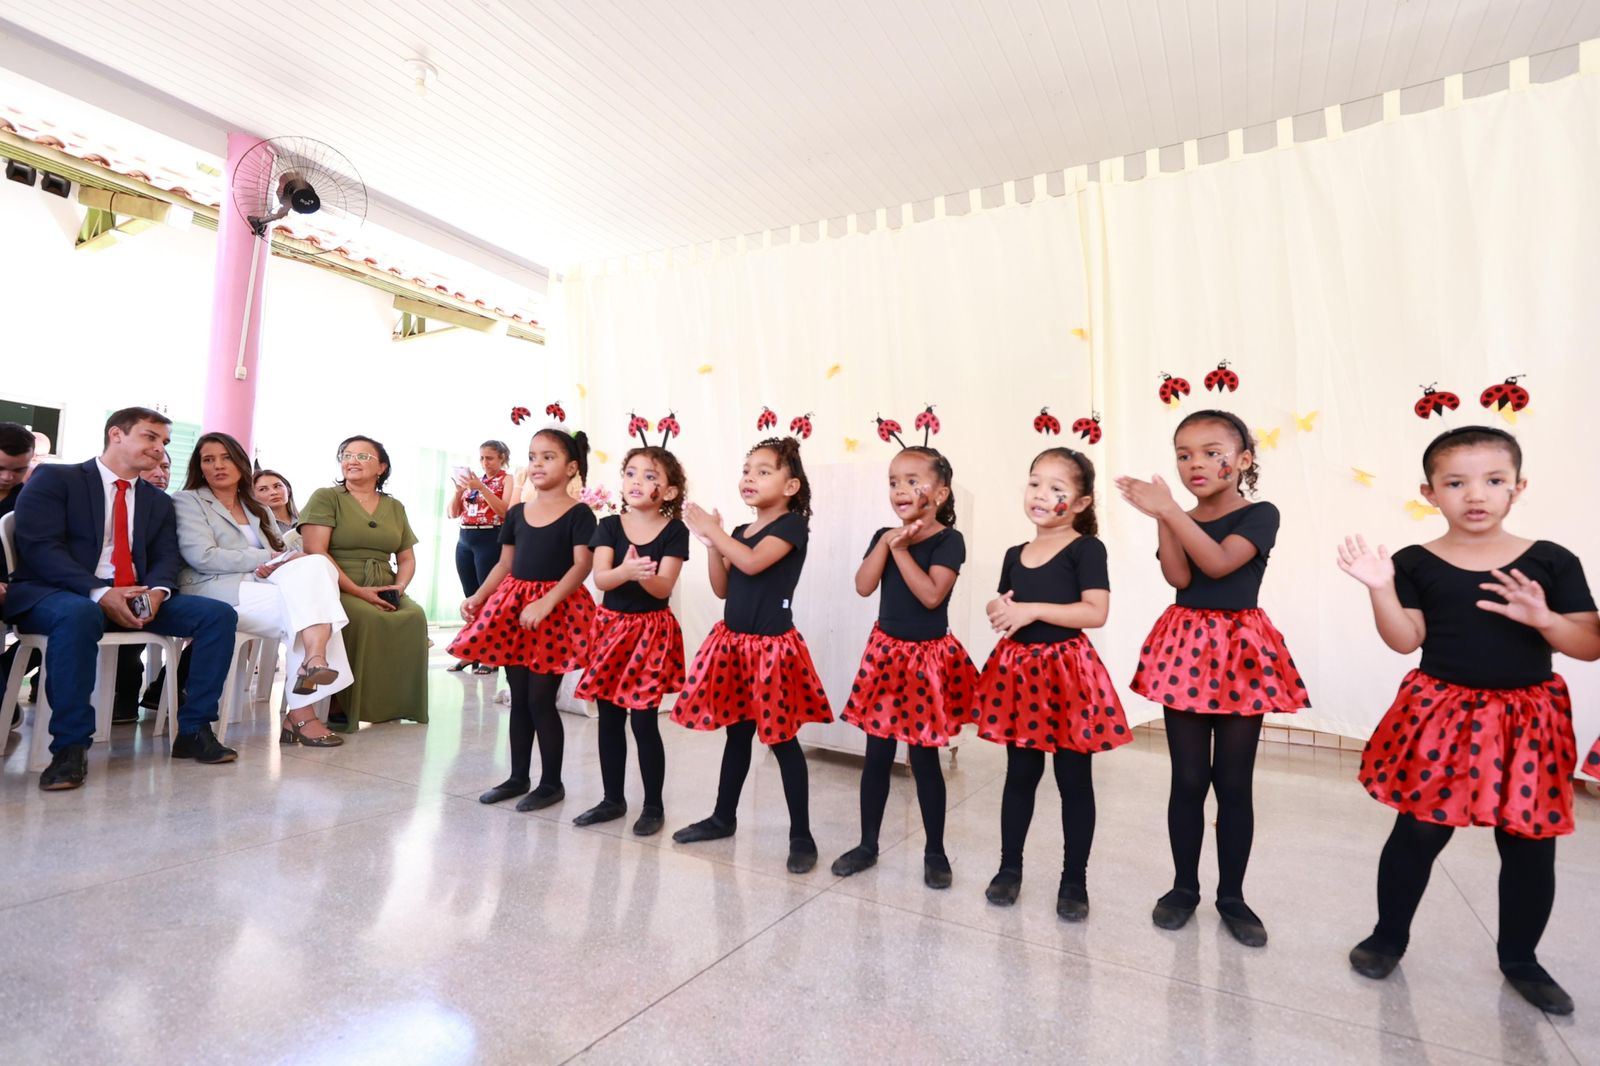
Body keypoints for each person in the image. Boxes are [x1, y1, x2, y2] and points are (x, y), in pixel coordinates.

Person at [1337, 426, 1600, 1015]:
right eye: (1456, 483)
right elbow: (1405, 640)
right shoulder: (1414, 562)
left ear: (1518, 487)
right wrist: (1380, 590)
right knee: (1420, 831)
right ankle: (1388, 936)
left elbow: (1588, 645)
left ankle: (1521, 959)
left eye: (1493, 481)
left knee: (1529, 845)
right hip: (1443, 712)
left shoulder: (1552, 560)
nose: (1475, 495)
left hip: (1529, 716)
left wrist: (1544, 619)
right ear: (1430, 492)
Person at [1116, 409, 1309, 947]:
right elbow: (1179, 576)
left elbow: (1222, 564)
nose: (1195, 463)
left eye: (1210, 451)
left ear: (1244, 460)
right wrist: (1165, 516)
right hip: (1185, 648)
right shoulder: (1176, 514)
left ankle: (1232, 896)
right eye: (1183, 454)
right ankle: (1183, 888)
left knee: (1233, 783)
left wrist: (1170, 512)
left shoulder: (1261, 513)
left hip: (1241, 652)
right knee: (1188, 780)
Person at [3, 407, 239, 789]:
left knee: (216, 615)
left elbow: (166, 557)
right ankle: (70, 748)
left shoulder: (158, 501)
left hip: (135, 595)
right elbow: (40, 549)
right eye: (150, 437)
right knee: (79, 613)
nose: (159, 449)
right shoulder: (56, 478)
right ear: (117, 434)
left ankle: (194, 729)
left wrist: (159, 592)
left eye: (163, 442)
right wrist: (100, 592)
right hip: (59, 593)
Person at [973, 447, 1129, 918]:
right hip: (1018, 673)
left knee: (1073, 779)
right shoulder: (1014, 553)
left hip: (1066, 673)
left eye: (1057, 490)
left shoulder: (1086, 549)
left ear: (1080, 504)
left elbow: (1094, 612)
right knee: (1020, 774)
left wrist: (1033, 611)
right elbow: (1006, 604)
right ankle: (1009, 868)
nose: (1041, 495)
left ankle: (1073, 880)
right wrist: (998, 610)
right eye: (1035, 483)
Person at [672, 434, 833, 874]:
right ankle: (724, 817)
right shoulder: (740, 532)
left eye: (764, 471)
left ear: (790, 486)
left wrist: (714, 531)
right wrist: (711, 545)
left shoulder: (791, 526)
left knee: (782, 740)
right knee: (737, 734)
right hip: (734, 645)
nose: (750, 478)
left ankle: (801, 833)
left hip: (770, 651)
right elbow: (724, 585)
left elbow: (753, 563)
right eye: (747, 470)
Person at [831, 440, 976, 890]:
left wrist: (901, 551)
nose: (900, 490)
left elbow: (932, 595)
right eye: (894, 481)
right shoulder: (884, 536)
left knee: (924, 756)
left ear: (941, 492)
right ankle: (868, 844)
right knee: (876, 754)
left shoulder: (950, 540)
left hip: (927, 658)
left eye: (913, 481)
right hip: (886, 653)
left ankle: (935, 851)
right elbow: (861, 585)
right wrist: (888, 544)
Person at [450, 427, 596, 811]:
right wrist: (479, 596)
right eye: (533, 457)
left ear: (571, 467)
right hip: (515, 609)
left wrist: (547, 602)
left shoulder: (580, 514)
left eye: (548, 457)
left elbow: (582, 565)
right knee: (519, 698)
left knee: (541, 699)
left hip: (554, 610)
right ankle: (518, 776)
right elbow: (505, 564)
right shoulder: (516, 512)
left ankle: (551, 783)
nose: (537, 464)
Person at [175, 432, 351, 746]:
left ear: (241, 463)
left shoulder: (257, 508)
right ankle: (303, 708)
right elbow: (201, 556)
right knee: (311, 614)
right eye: (208, 460)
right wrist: (266, 558)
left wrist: (284, 559)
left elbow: (282, 553)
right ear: (199, 468)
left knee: (316, 570)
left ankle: (313, 663)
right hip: (215, 591)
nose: (218, 465)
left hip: (264, 589)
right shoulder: (188, 501)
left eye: (226, 458)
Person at [572, 441, 690, 836]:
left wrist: (644, 575)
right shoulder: (608, 525)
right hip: (610, 628)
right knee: (609, 717)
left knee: (643, 721)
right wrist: (626, 571)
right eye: (632, 473)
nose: (638, 481)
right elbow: (601, 578)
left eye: (651, 476)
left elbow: (663, 588)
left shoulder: (674, 531)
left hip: (650, 632)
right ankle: (612, 799)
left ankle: (653, 805)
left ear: (669, 492)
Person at [298, 436, 428, 732]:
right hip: (335, 583)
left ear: (381, 467)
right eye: (346, 454)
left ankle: (394, 704)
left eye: (363, 456)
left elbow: (406, 557)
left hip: (385, 582)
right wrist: (359, 592)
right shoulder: (326, 497)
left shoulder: (394, 507)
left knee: (414, 615)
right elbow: (315, 550)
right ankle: (340, 703)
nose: (352, 460)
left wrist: (400, 587)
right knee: (365, 616)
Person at [447, 440, 515, 675]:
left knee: (489, 600)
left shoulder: (507, 479)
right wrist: (459, 491)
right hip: (466, 538)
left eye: (490, 458)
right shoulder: (474, 481)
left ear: (502, 458)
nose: (485, 463)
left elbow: (505, 511)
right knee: (471, 599)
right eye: (482, 458)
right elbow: (452, 513)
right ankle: (471, 651)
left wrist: (483, 489)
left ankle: (491, 653)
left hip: (490, 539)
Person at [0, 421, 38, 724]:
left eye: (18, 470)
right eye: (1, 467)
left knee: (70, 622)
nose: (7, 477)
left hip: (19, 588)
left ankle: (4, 686)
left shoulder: (31, 500)